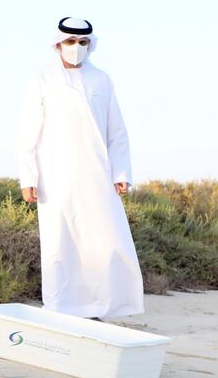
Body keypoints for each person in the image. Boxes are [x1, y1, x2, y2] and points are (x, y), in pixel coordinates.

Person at [15, 17, 144, 319]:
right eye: (70, 42)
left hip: (98, 174)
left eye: (82, 42)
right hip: (54, 176)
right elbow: (27, 133)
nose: (76, 48)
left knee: (104, 240)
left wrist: (121, 173)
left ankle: (98, 308)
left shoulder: (102, 80)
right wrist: (28, 177)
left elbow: (117, 132)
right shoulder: (42, 80)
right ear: (58, 44)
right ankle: (59, 308)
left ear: (90, 45)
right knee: (60, 242)